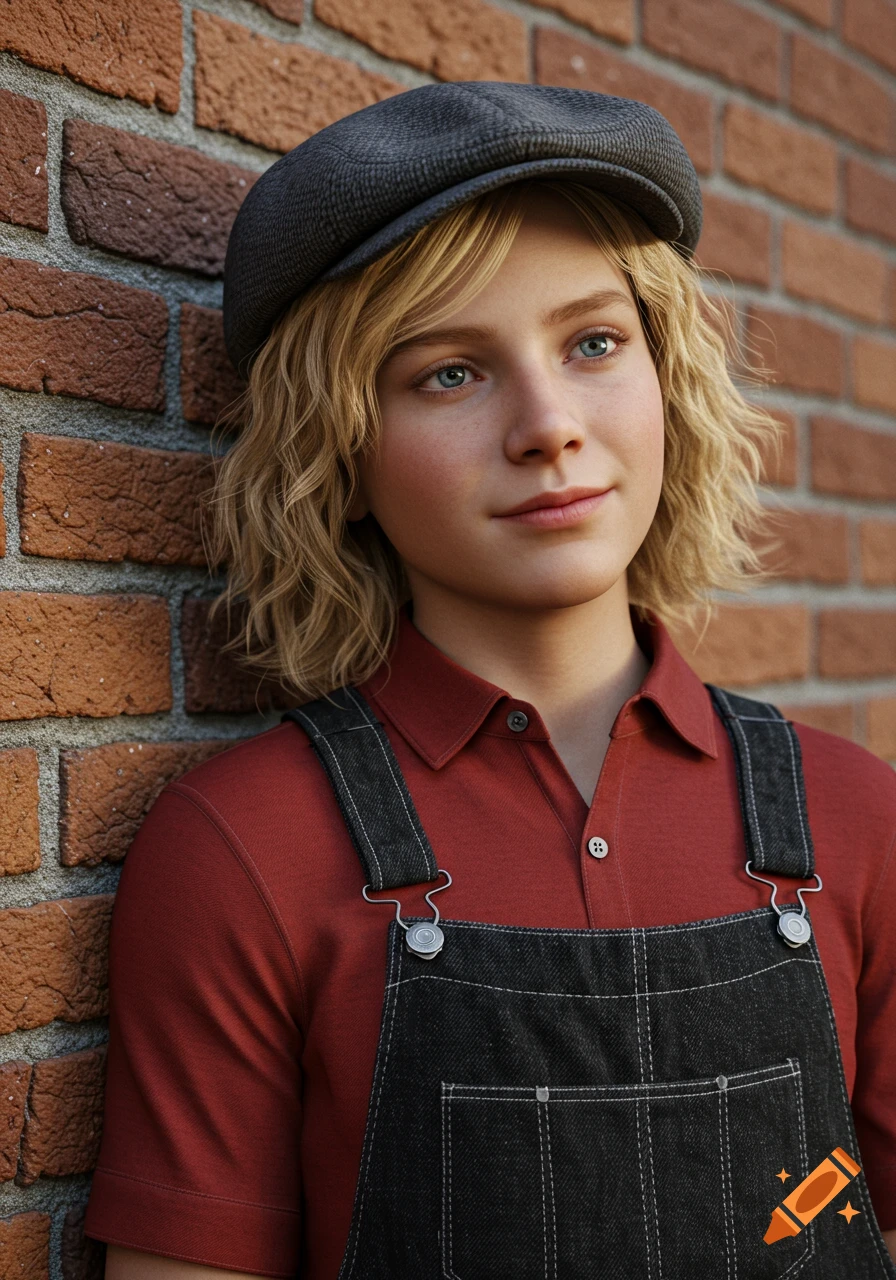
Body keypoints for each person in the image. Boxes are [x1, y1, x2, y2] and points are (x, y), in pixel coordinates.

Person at [84, 83, 896, 1279]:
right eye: (448, 374)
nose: (546, 423)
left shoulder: (856, 818)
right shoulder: (243, 848)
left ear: (664, 377)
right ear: (339, 451)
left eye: (592, 342)